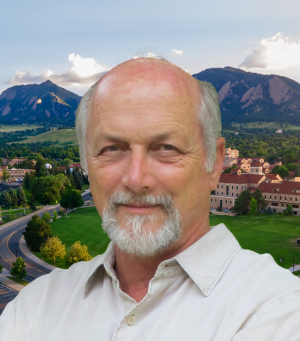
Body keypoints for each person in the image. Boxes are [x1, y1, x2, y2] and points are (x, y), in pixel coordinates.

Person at [1, 58, 300, 341]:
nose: (136, 178)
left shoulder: (279, 312)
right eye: (112, 149)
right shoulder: (34, 307)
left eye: (166, 147)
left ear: (215, 163)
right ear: (86, 165)